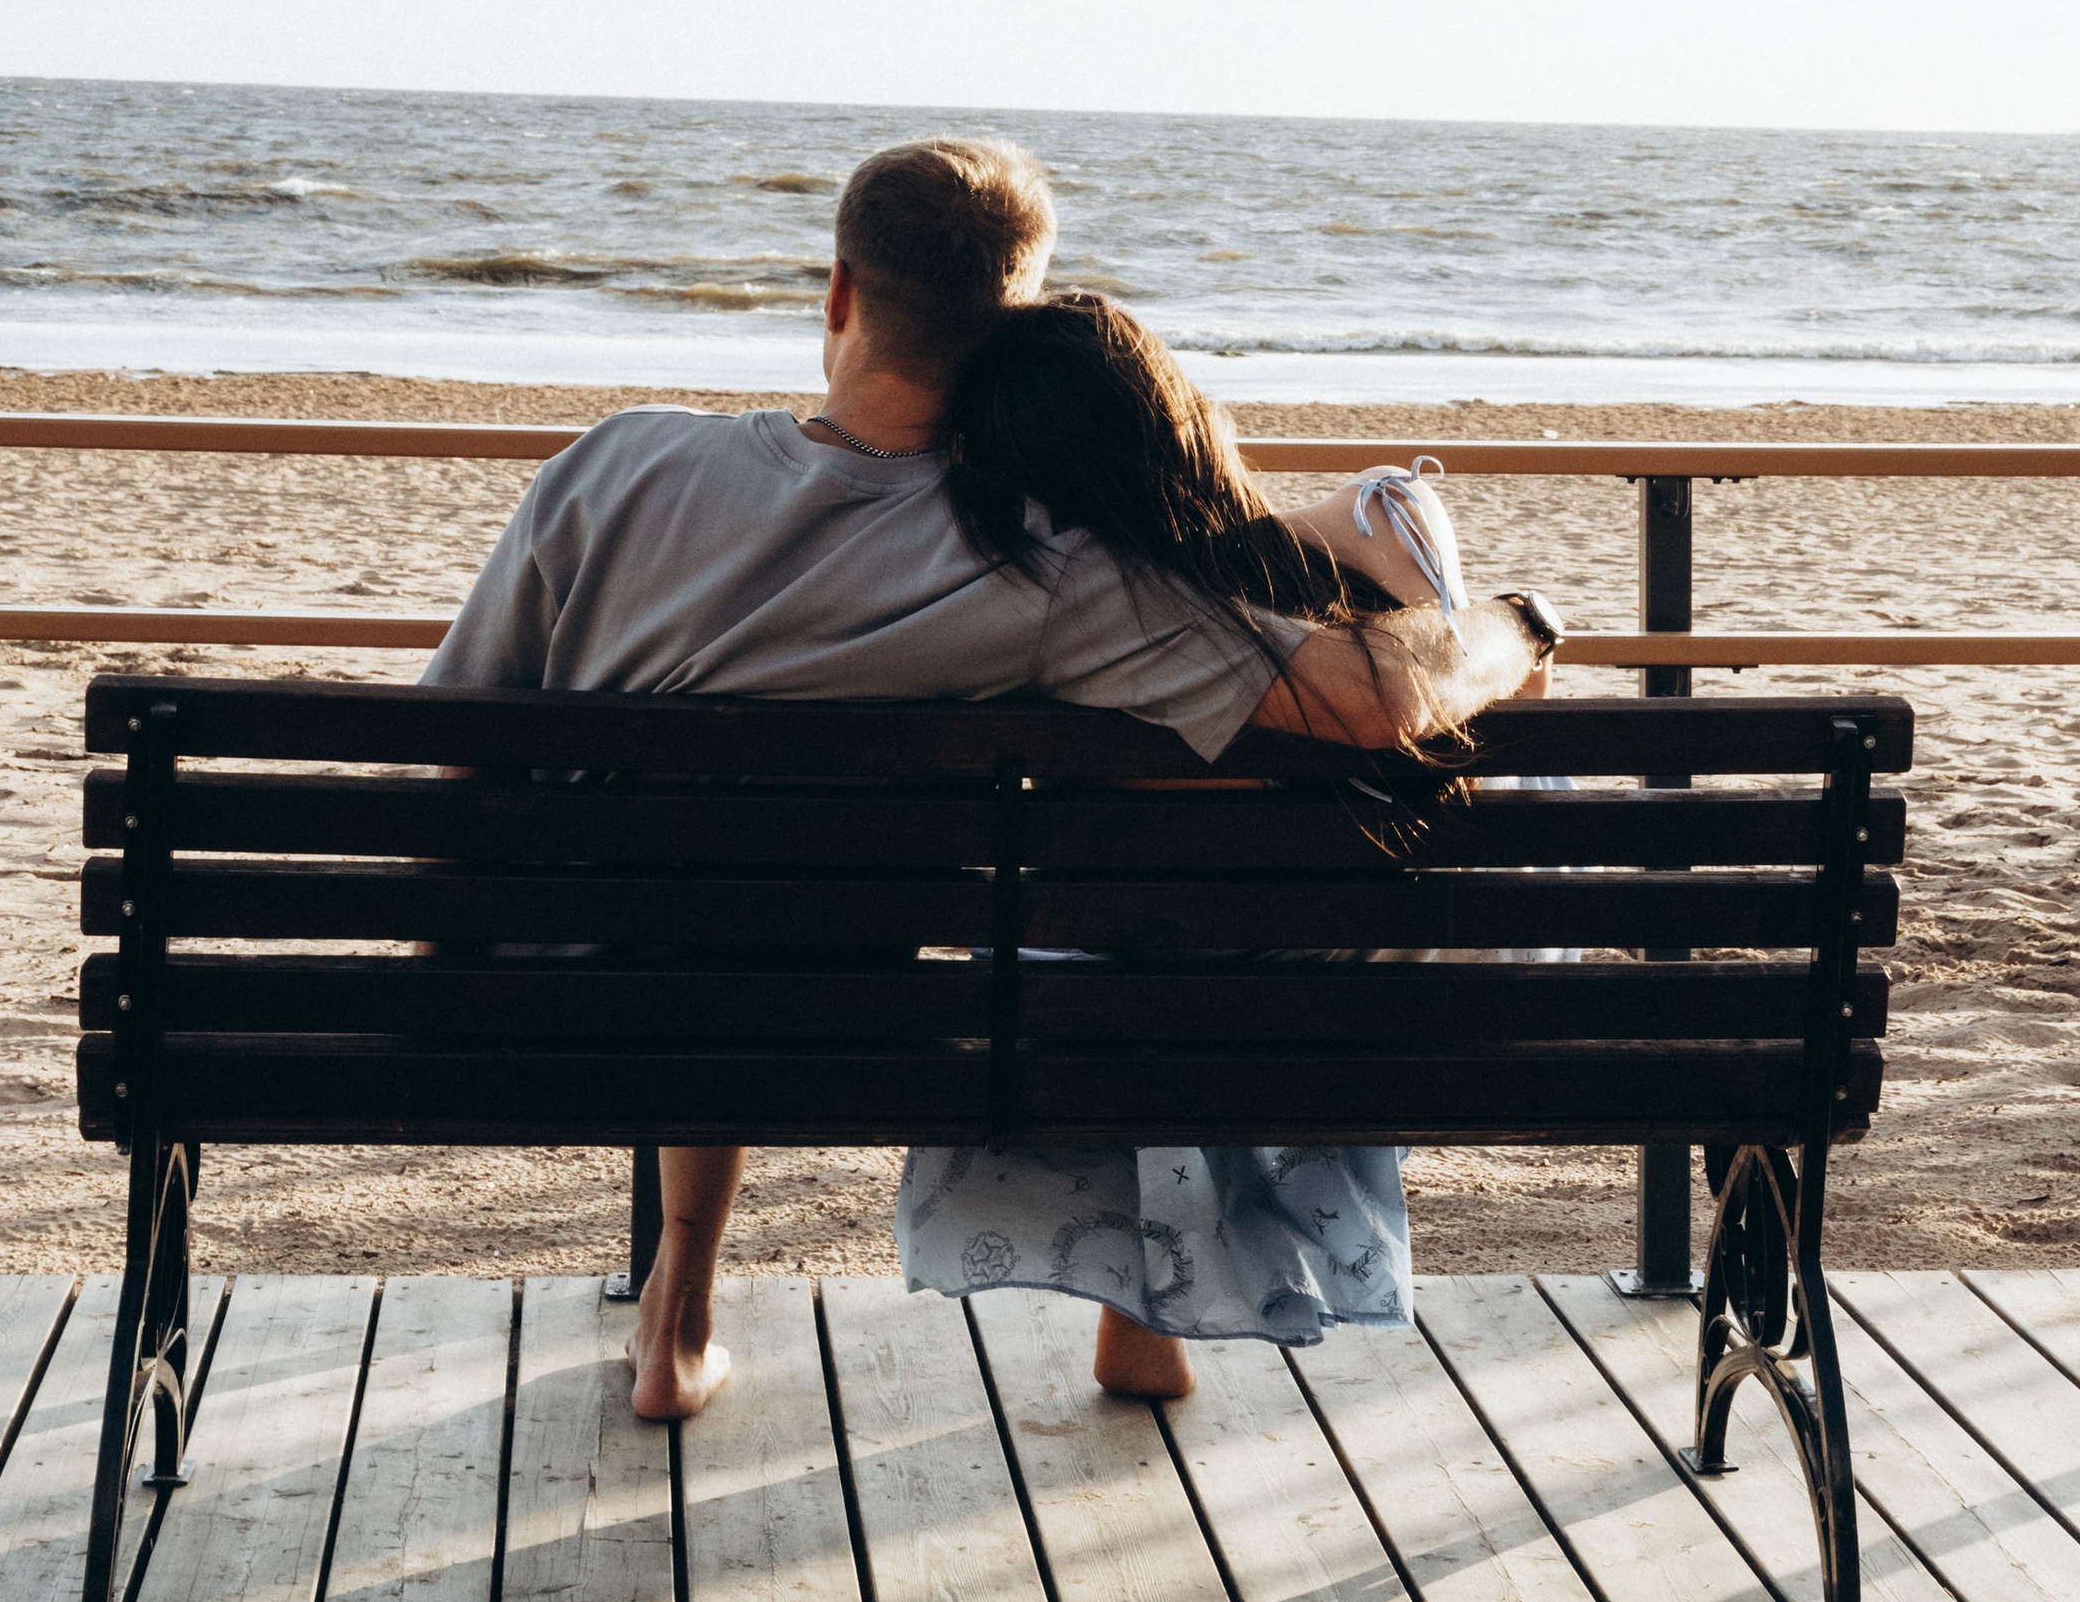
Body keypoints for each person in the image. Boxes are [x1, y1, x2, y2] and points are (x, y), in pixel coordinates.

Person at [421, 133, 1561, 1418]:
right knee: (758, 933)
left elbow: (446, 751)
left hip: (510, 1011)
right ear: (1018, 316)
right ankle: (1120, 1310)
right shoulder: (1050, 572)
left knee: (697, 905)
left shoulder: (613, 463)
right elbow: (1377, 700)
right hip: (827, 1030)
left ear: (840, 289)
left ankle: (675, 1316)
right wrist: (1516, 625)